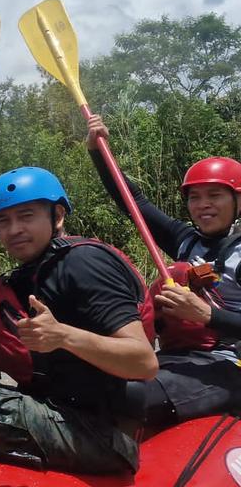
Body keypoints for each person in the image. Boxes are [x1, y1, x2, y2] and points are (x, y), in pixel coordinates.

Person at [0, 166, 158, 474]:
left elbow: (143, 361)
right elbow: (31, 365)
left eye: (26, 216)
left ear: (57, 216)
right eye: (3, 221)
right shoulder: (31, 274)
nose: (14, 229)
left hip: (101, 434)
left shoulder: (84, 265)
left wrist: (63, 336)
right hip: (56, 411)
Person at [86, 115, 241, 425]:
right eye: (194, 197)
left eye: (215, 195)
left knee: (127, 397)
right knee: (94, 382)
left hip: (231, 364)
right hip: (180, 356)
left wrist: (207, 315)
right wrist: (98, 151)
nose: (202, 205)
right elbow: (133, 202)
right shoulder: (186, 242)